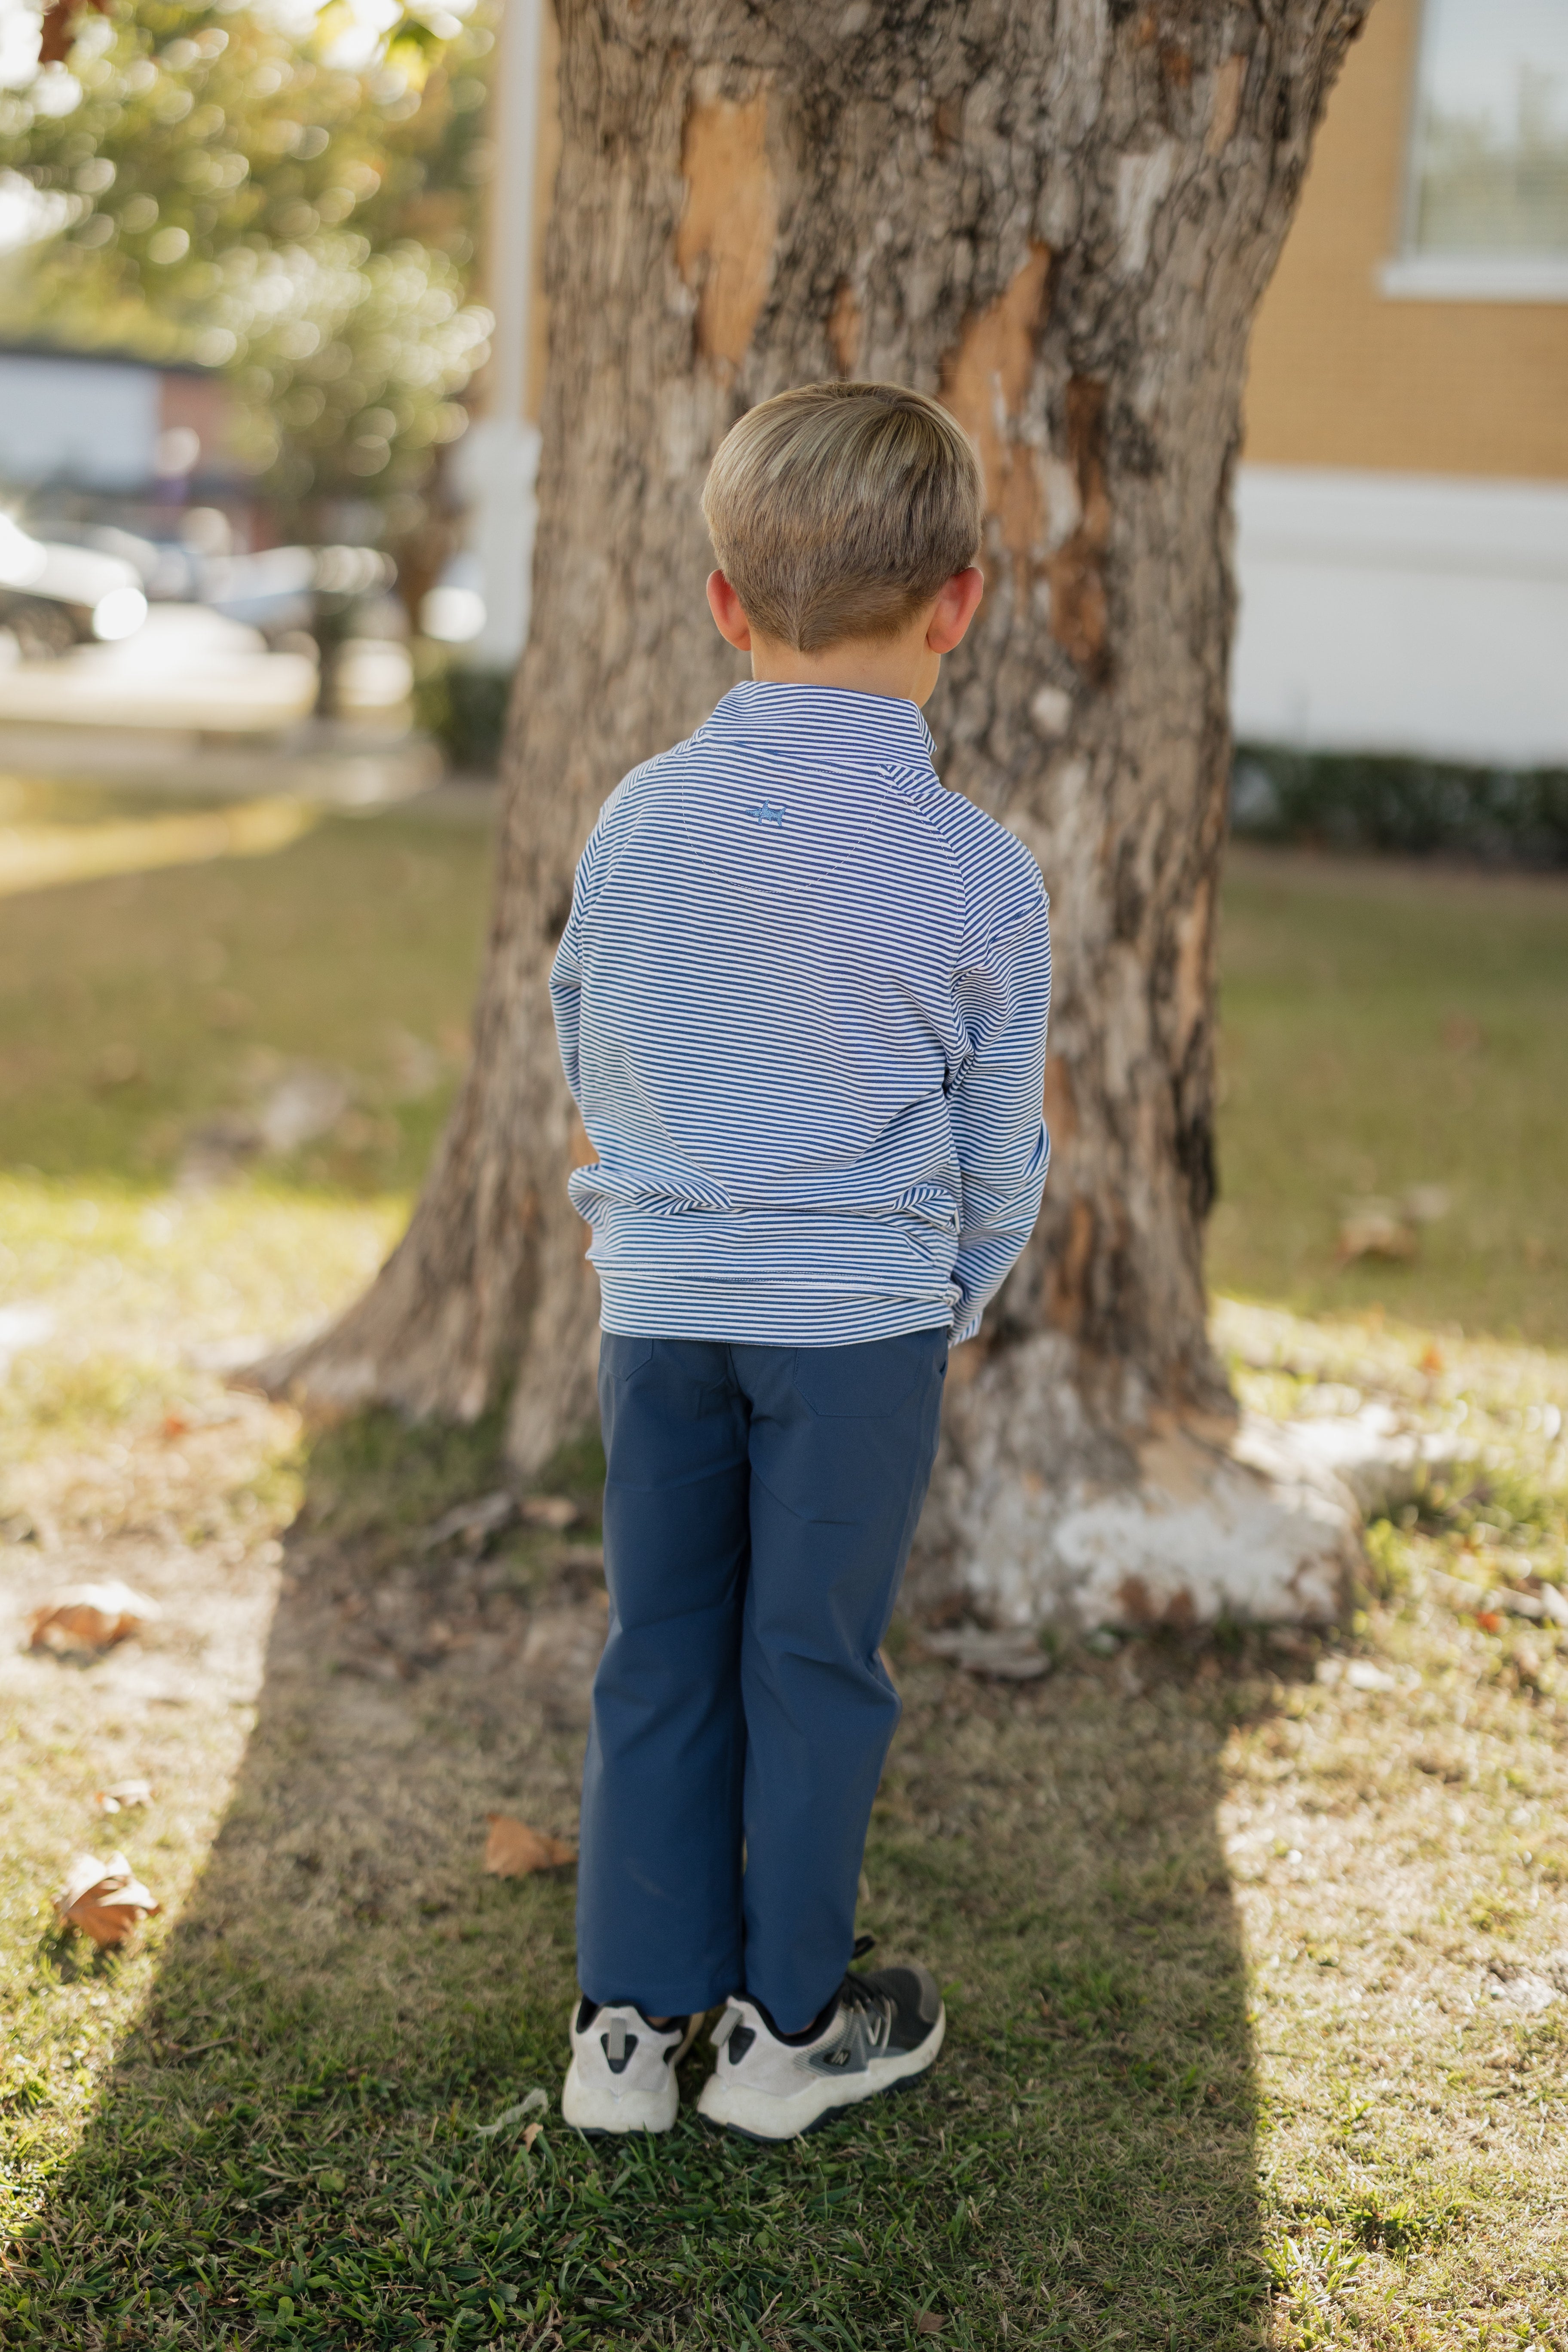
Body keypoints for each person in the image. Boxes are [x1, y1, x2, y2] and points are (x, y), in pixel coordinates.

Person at [547, 380, 1052, 2142]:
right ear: (961, 602)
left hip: (665, 1316)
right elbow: (1002, 1150)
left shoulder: (634, 823)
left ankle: (624, 2036)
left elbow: (586, 1035)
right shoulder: (979, 873)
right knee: (813, 1662)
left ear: (724, 602)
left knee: (659, 1648)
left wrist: (664, 1204)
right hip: (857, 1339)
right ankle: (781, 2034)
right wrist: (953, 1293)